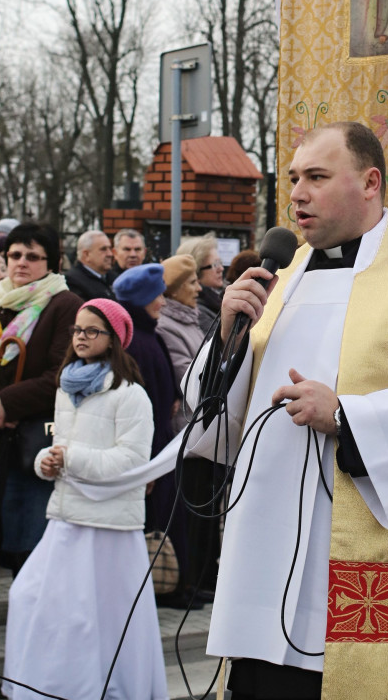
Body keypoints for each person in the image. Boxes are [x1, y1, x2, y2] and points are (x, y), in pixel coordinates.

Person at [185, 121, 388, 699]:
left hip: (371, 554)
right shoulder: (281, 277)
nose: (298, 194)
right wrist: (227, 336)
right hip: (268, 546)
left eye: (316, 177)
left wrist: (349, 417)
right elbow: (211, 413)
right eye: (293, 179)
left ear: (370, 182)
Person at [0, 298, 168, 700]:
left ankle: (103, 688)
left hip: (109, 526)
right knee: (31, 599)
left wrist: (69, 459)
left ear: (113, 340)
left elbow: (131, 459)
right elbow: (60, 447)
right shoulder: (66, 386)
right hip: (67, 516)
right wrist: (47, 461)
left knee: (99, 620)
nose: (81, 337)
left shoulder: (130, 395)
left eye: (92, 331)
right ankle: (48, 685)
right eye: (77, 330)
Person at [0, 223, 82, 571]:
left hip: (43, 444)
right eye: (14, 255)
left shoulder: (65, 305)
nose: (21, 263)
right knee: (12, 547)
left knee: (39, 549)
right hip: (4, 445)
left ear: (51, 263)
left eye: (32, 256)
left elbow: (62, 373)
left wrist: (8, 402)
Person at [113, 264, 187, 606]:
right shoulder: (137, 342)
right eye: (157, 296)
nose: (162, 302)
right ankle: (158, 587)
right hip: (150, 446)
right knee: (153, 519)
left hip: (158, 442)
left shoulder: (147, 334)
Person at [158, 254, 220, 601]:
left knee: (208, 513)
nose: (198, 288)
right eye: (192, 283)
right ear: (177, 289)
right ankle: (191, 579)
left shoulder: (190, 319)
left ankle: (205, 579)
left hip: (206, 429)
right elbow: (190, 374)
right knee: (192, 513)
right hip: (189, 432)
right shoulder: (168, 325)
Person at [176, 233, 225, 335]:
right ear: (196, 271)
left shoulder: (218, 297)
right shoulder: (197, 308)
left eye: (220, 262)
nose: (221, 268)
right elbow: (220, 345)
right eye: (215, 264)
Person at [64, 230, 115, 301]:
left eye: (110, 248)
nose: (110, 254)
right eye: (103, 249)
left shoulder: (114, 277)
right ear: (86, 254)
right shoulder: (72, 282)